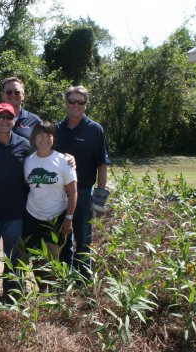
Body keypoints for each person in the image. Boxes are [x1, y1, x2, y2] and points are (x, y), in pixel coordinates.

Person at [55, 86, 111, 279]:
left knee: (83, 240)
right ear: (66, 103)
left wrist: (100, 199)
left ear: (86, 105)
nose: (76, 106)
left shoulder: (95, 130)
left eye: (80, 102)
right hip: (59, 195)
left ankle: (82, 283)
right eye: (72, 101)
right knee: (63, 239)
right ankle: (64, 281)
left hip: (84, 193)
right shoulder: (57, 129)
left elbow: (102, 165)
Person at [23, 121, 77, 290]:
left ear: (53, 138)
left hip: (56, 216)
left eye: (48, 135)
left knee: (53, 258)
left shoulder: (63, 161)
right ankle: (42, 291)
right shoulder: (28, 161)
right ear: (34, 138)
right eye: (40, 135)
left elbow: (73, 192)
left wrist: (69, 218)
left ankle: (54, 292)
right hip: (32, 215)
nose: (44, 139)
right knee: (37, 258)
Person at [0, 103, 30, 295]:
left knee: (14, 257)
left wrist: (67, 158)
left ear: (15, 120)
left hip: (15, 213)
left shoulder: (25, 145)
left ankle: (13, 295)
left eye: (8, 117)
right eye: (0, 117)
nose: (4, 120)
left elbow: (44, 159)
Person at [0, 77, 41, 152]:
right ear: (2, 95)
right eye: (9, 92)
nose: (13, 95)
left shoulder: (34, 121)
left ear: (23, 95)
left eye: (17, 92)